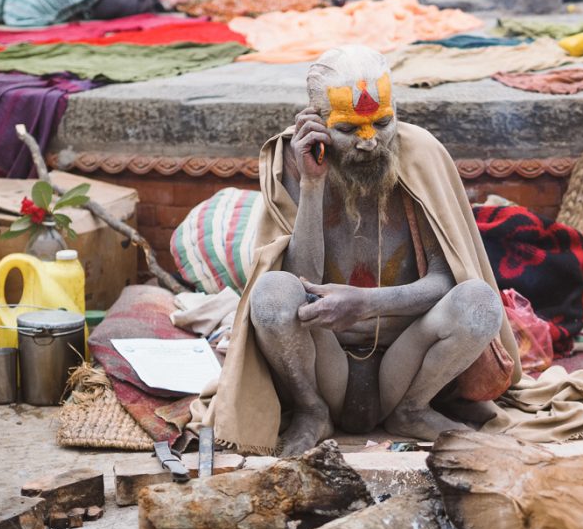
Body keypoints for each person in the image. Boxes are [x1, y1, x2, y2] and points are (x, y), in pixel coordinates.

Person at [202, 45, 521, 456]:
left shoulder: (419, 155)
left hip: (406, 360)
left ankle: (413, 409)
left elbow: (449, 278)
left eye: (382, 123)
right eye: (350, 130)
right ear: (315, 124)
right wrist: (313, 183)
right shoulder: (296, 160)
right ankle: (311, 412)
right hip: (322, 362)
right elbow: (299, 280)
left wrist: (367, 303)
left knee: (480, 303)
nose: (370, 143)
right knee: (272, 293)